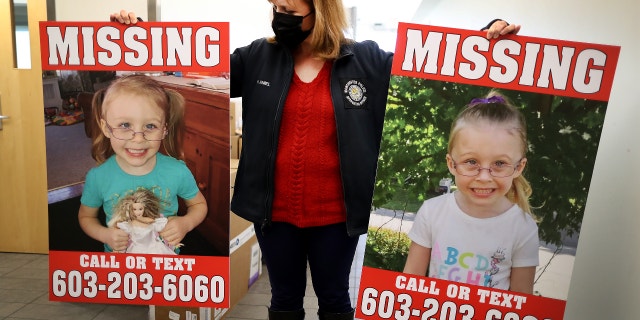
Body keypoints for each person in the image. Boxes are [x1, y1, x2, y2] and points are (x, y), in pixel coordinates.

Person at [111, 3, 519, 319]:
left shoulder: (368, 61)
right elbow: (185, 67)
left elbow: (434, 68)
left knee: (335, 299)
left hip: (336, 217)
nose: (279, 18)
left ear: (320, 9)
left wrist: (486, 36)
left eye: (289, 11)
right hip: (275, 213)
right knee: (284, 299)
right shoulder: (257, 58)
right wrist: (140, 38)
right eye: (275, 9)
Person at [403, 90, 539, 294]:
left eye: (500, 163)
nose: (484, 177)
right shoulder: (432, 212)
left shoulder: (523, 228)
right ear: (451, 163)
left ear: (518, 167)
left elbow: (521, 300)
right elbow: (409, 281)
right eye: (471, 162)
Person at [78, 74, 207, 253]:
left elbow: (198, 205)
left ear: (164, 130)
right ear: (106, 128)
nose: (138, 139)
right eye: (124, 125)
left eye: (150, 126)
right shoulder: (98, 177)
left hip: (165, 259)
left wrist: (186, 223)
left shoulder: (177, 171)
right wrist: (105, 235)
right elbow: (86, 217)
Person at [108, 188, 181, 255]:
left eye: (140, 209)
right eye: (134, 209)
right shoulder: (128, 225)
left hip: (154, 249)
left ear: (144, 208)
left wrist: (172, 242)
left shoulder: (153, 222)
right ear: (131, 209)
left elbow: (162, 230)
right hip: (136, 250)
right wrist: (118, 251)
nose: (138, 212)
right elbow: (124, 240)